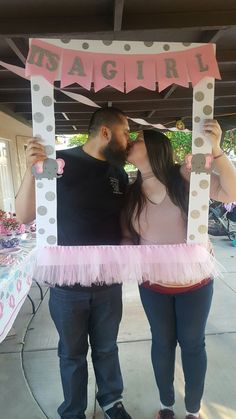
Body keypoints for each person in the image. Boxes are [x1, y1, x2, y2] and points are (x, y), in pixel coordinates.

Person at [15, 107, 132, 419]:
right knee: (71, 354)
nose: (128, 140)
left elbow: (128, 224)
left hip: (109, 282)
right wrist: (32, 170)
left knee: (107, 349)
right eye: (125, 132)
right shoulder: (59, 162)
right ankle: (73, 411)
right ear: (105, 132)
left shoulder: (118, 173)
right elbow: (24, 215)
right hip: (68, 287)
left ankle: (111, 401)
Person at [122, 120, 236, 419]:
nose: (130, 142)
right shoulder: (129, 190)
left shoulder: (186, 173)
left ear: (155, 147)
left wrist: (217, 151)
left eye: (137, 138)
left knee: (192, 344)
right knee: (162, 343)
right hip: (152, 286)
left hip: (195, 283)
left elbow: (230, 192)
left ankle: (193, 410)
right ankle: (167, 406)